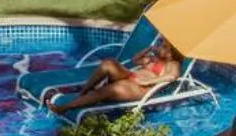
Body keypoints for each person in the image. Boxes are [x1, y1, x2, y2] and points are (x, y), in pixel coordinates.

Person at [49, 41, 181, 115]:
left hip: (141, 88)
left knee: (108, 90)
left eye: (163, 46)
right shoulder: (153, 59)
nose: (159, 46)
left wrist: (148, 81)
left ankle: (65, 107)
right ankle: (84, 92)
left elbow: (172, 76)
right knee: (108, 63)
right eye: (160, 43)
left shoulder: (172, 64)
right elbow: (135, 60)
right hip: (131, 77)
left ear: (170, 53)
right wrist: (150, 47)